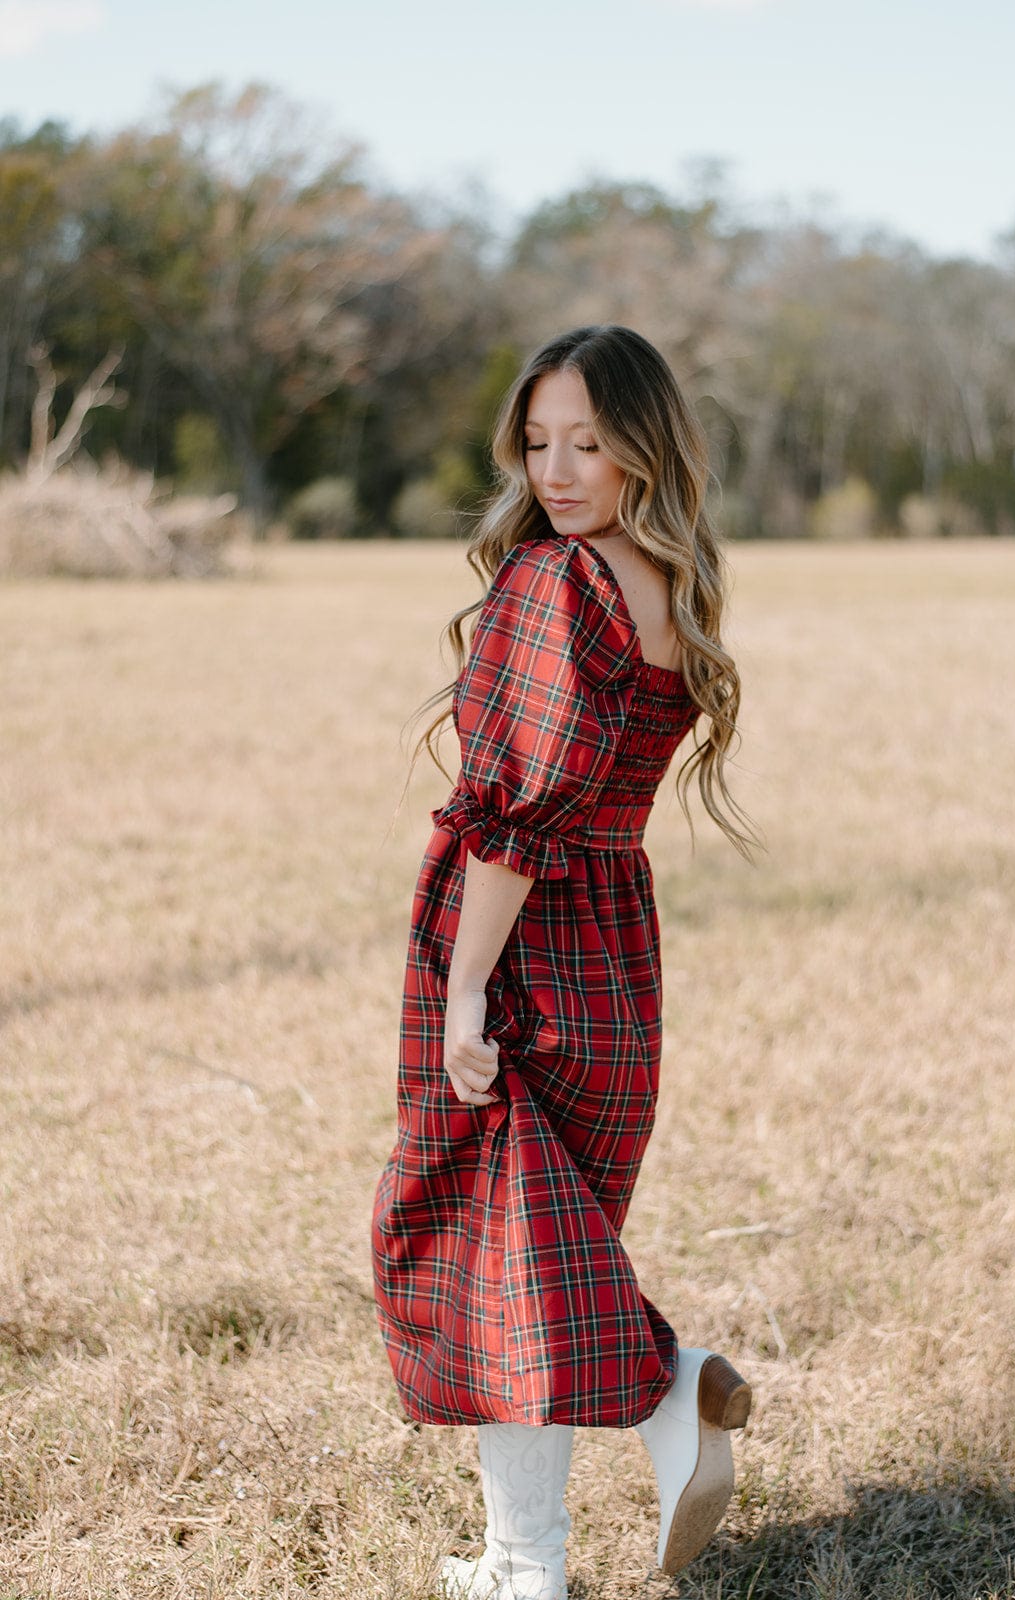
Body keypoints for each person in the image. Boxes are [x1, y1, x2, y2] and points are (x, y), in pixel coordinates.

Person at [372, 325, 758, 1600]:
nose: (557, 468)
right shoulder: (667, 580)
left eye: (589, 440)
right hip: (615, 944)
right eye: (537, 441)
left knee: (481, 1248)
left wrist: (468, 985)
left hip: (525, 940)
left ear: (644, 443)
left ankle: (660, 1399)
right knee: (523, 1260)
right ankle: (520, 1560)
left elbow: (516, 820)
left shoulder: (555, 583)